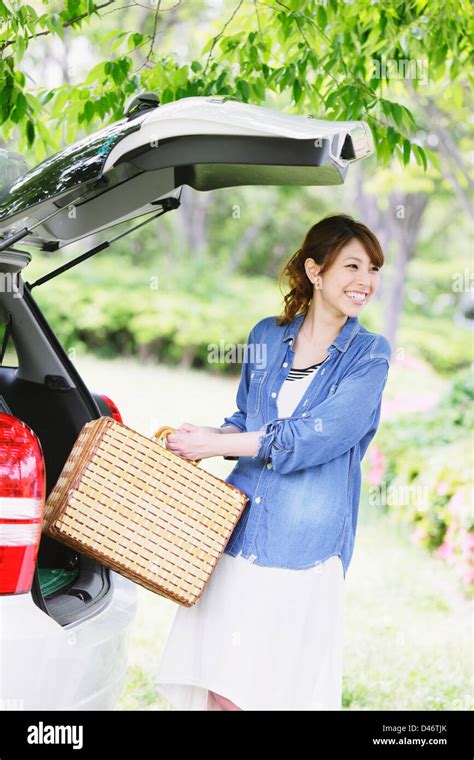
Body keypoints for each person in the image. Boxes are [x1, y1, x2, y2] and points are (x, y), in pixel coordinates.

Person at [154, 213, 392, 711]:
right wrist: (205, 437)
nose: (365, 281)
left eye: (373, 269)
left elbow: (310, 439)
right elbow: (247, 419)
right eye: (352, 266)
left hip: (301, 545)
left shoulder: (370, 355)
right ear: (314, 270)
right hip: (239, 533)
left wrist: (223, 445)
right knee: (219, 686)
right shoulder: (266, 336)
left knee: (264, 693)